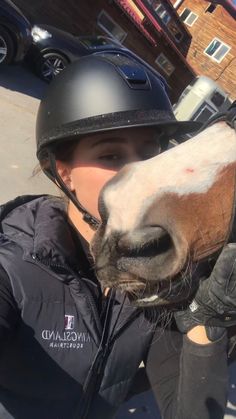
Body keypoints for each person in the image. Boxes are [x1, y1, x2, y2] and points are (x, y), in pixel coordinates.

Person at [0, 54, 234, 419]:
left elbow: (188, 412)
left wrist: (210, 319)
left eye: (150, 150)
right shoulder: (11, 262)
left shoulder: (153, 265)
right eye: (111, 154)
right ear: (63, 172)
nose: (142, 175)